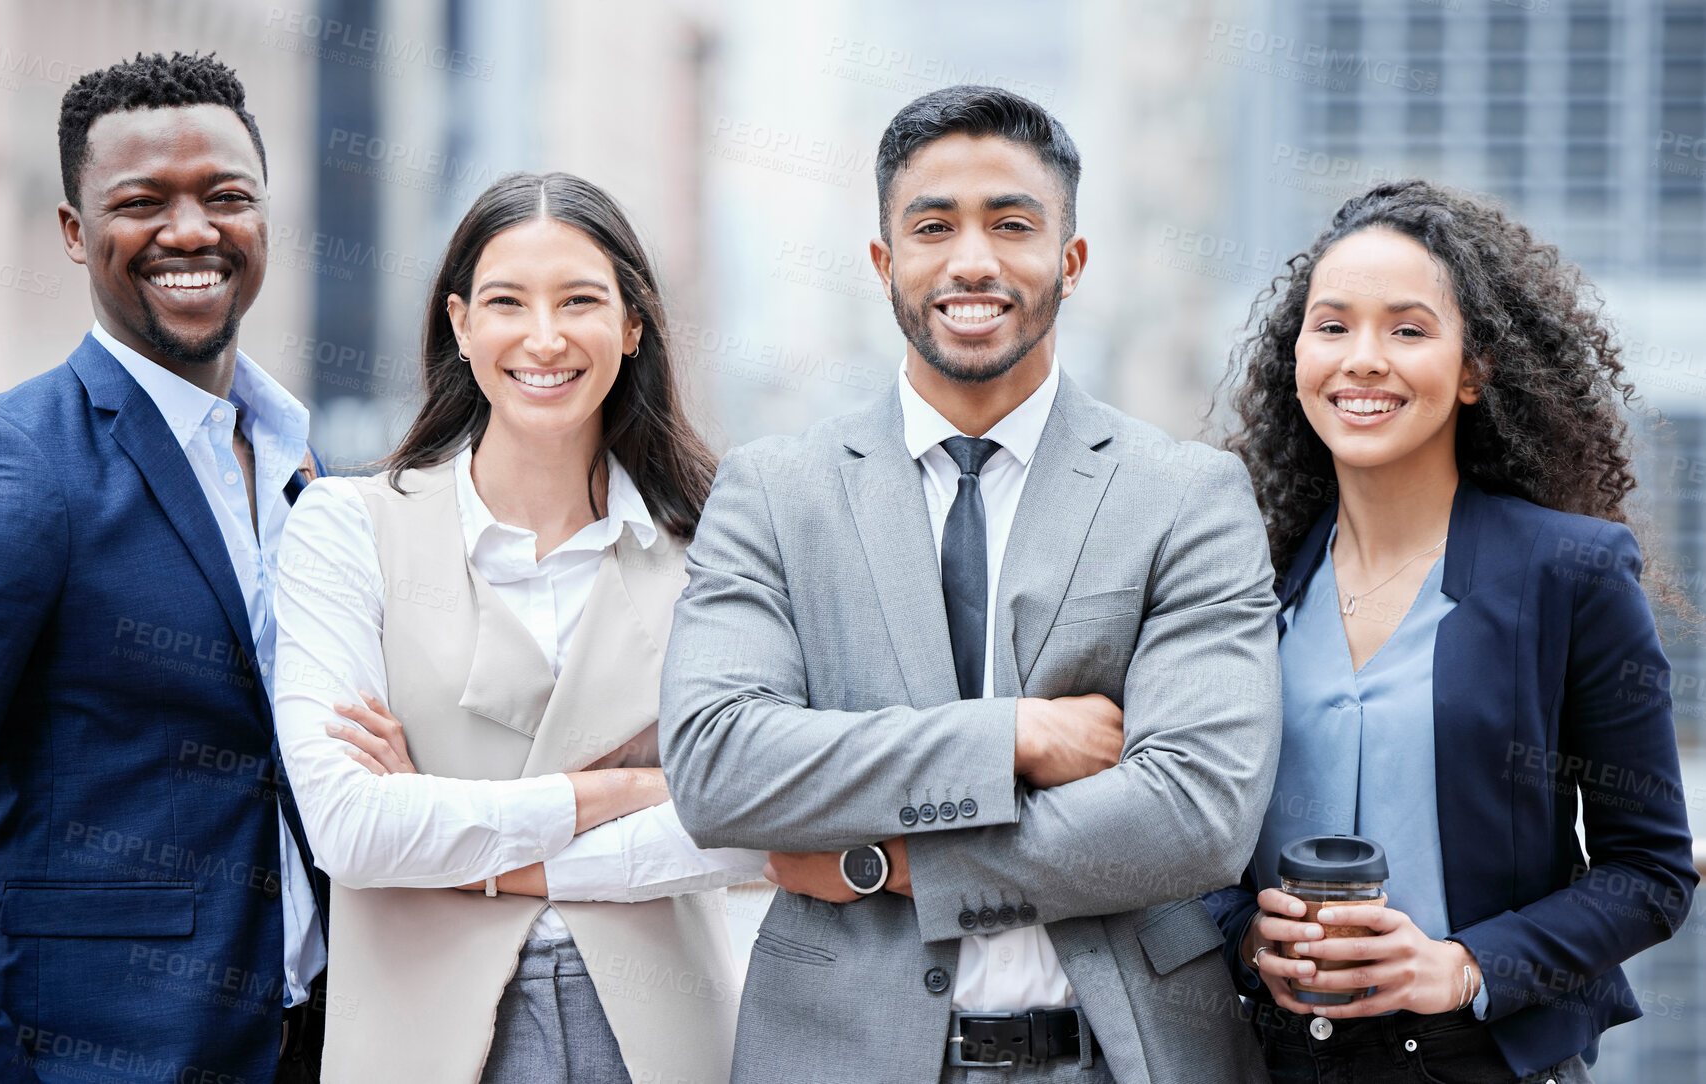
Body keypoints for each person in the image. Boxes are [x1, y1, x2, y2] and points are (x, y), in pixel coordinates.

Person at [659, 85, 1282, 1083]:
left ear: (1070, 262)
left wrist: (888, 864)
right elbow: (719, 765)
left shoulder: (1185, 497)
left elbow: (1195, 810)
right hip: (838, 1056)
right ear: (884, 263)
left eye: (1011, 224)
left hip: (1122, 1057)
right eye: (933, 226)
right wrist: (1015, 737)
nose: (972, 261)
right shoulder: (774, 493)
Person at [0, 53, 330, 1082]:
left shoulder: (300, 458)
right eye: (141, 201)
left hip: (310, 1042)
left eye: (225, 196)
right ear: (76, 234)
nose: (192, 230)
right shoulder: (15, 461)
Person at [272, 171, 763, 1083]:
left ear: (631, 325)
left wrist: (469, 845)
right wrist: (630, 790)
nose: (544, 337)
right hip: (418, 1045)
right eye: (507, 302)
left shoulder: (717, 541)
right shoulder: (348, 526)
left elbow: (753, 821)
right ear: (459, 325)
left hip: (666, 1043)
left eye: (580, 300)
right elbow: (348, 827)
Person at [1203, 178, 1697, 1082]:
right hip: (1270, 1062)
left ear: (1473, 370)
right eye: (1331, 325)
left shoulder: (1570, 573)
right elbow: (1181, 835)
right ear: (1296, 359)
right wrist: (1244, 938)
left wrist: (1461, 967)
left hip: (1481, 1064)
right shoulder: (1242, 579)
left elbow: (1649, 872)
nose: (1361, 359)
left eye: (1407, 328)